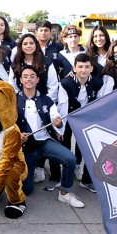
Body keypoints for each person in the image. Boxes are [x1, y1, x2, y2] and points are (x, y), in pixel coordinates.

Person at [17, 65, 84, 208]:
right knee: (26, 190)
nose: (29, 79)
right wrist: (17, 135)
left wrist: (58, 123)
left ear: (38, 79)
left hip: (44, 141)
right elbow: (6, 124)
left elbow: (56, 119)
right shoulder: (13, 100)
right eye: (26, 76)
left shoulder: (46, 100)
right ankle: (29, 172)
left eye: (32, 76)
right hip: (26, 147)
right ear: (21, 80)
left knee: (69, 158)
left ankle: (64, 193)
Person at [57, 53, 104, 193]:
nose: (83, 70)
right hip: (69, 116)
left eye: (87, 66)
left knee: (87, 147)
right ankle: (65, 172)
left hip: (87, 118)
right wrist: (60, 129)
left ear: (91, 68)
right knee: (65, 144)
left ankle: (86, 179)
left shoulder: (97, 82)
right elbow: (63, 106)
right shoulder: (65, 83)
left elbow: (99, 103)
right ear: (74, 68)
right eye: (80, 66)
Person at [9, 33, 58, 103]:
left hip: (43, 104)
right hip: (21, 104)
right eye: (25, 44)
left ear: (36, 45)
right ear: (21, 47)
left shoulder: (46, 63)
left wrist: (47, 103)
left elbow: (53, 87)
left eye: (31, 43)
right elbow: (13, 87)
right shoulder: (15, 65)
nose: (28, 46)